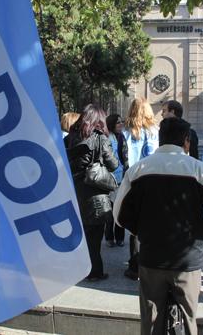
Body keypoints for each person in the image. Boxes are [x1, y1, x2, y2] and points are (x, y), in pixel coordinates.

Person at [114, 117, 203, 335]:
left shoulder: (139, 170)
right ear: (186, 141)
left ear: (160, 139)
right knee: (189, 318)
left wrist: (141, 231)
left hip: (151, 256)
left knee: (150, 321)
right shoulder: (200, 171)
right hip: (187, 258)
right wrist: (202, 232)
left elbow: (119, 214)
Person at [64, 104, 119, 281]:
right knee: (94, 238)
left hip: (75, 190)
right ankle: (95, 272)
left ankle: (78, 269)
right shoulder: (100, 138)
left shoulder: (70, 137)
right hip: (95, 193)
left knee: (81, 234)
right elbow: (113, 164)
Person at [122, 98, 159, 280]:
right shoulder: (155, 132)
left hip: (132, 180)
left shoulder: (126, 132)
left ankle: (134, 266)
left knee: (134, 226)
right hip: (151, 180)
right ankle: (148, 263)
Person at [104, 114, 129, 247]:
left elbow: (125, 158)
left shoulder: (122, 137)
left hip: (121, 179)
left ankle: (120, 237)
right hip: (109, 179)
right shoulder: (107, 138)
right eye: (118, 123)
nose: (121, 124)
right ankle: (109, 237)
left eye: (121, 122)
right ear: (111, 124)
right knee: (110, 211)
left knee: (120, 210)